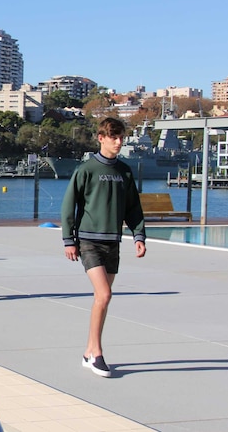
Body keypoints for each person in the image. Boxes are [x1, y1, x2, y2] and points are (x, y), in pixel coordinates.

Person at [61, 117, 146, 378]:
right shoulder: (86, 169)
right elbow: (69, 204)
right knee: (105, 294)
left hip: (113, 242)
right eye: (114, 137)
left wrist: (139, 235)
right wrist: (69, 239)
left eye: (121, 137)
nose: (119, 142)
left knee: (102, 299)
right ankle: (97, 353)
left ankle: (88, 351)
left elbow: (133, 207)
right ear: (101, 138)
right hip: (89, 241)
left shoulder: (125, 172)